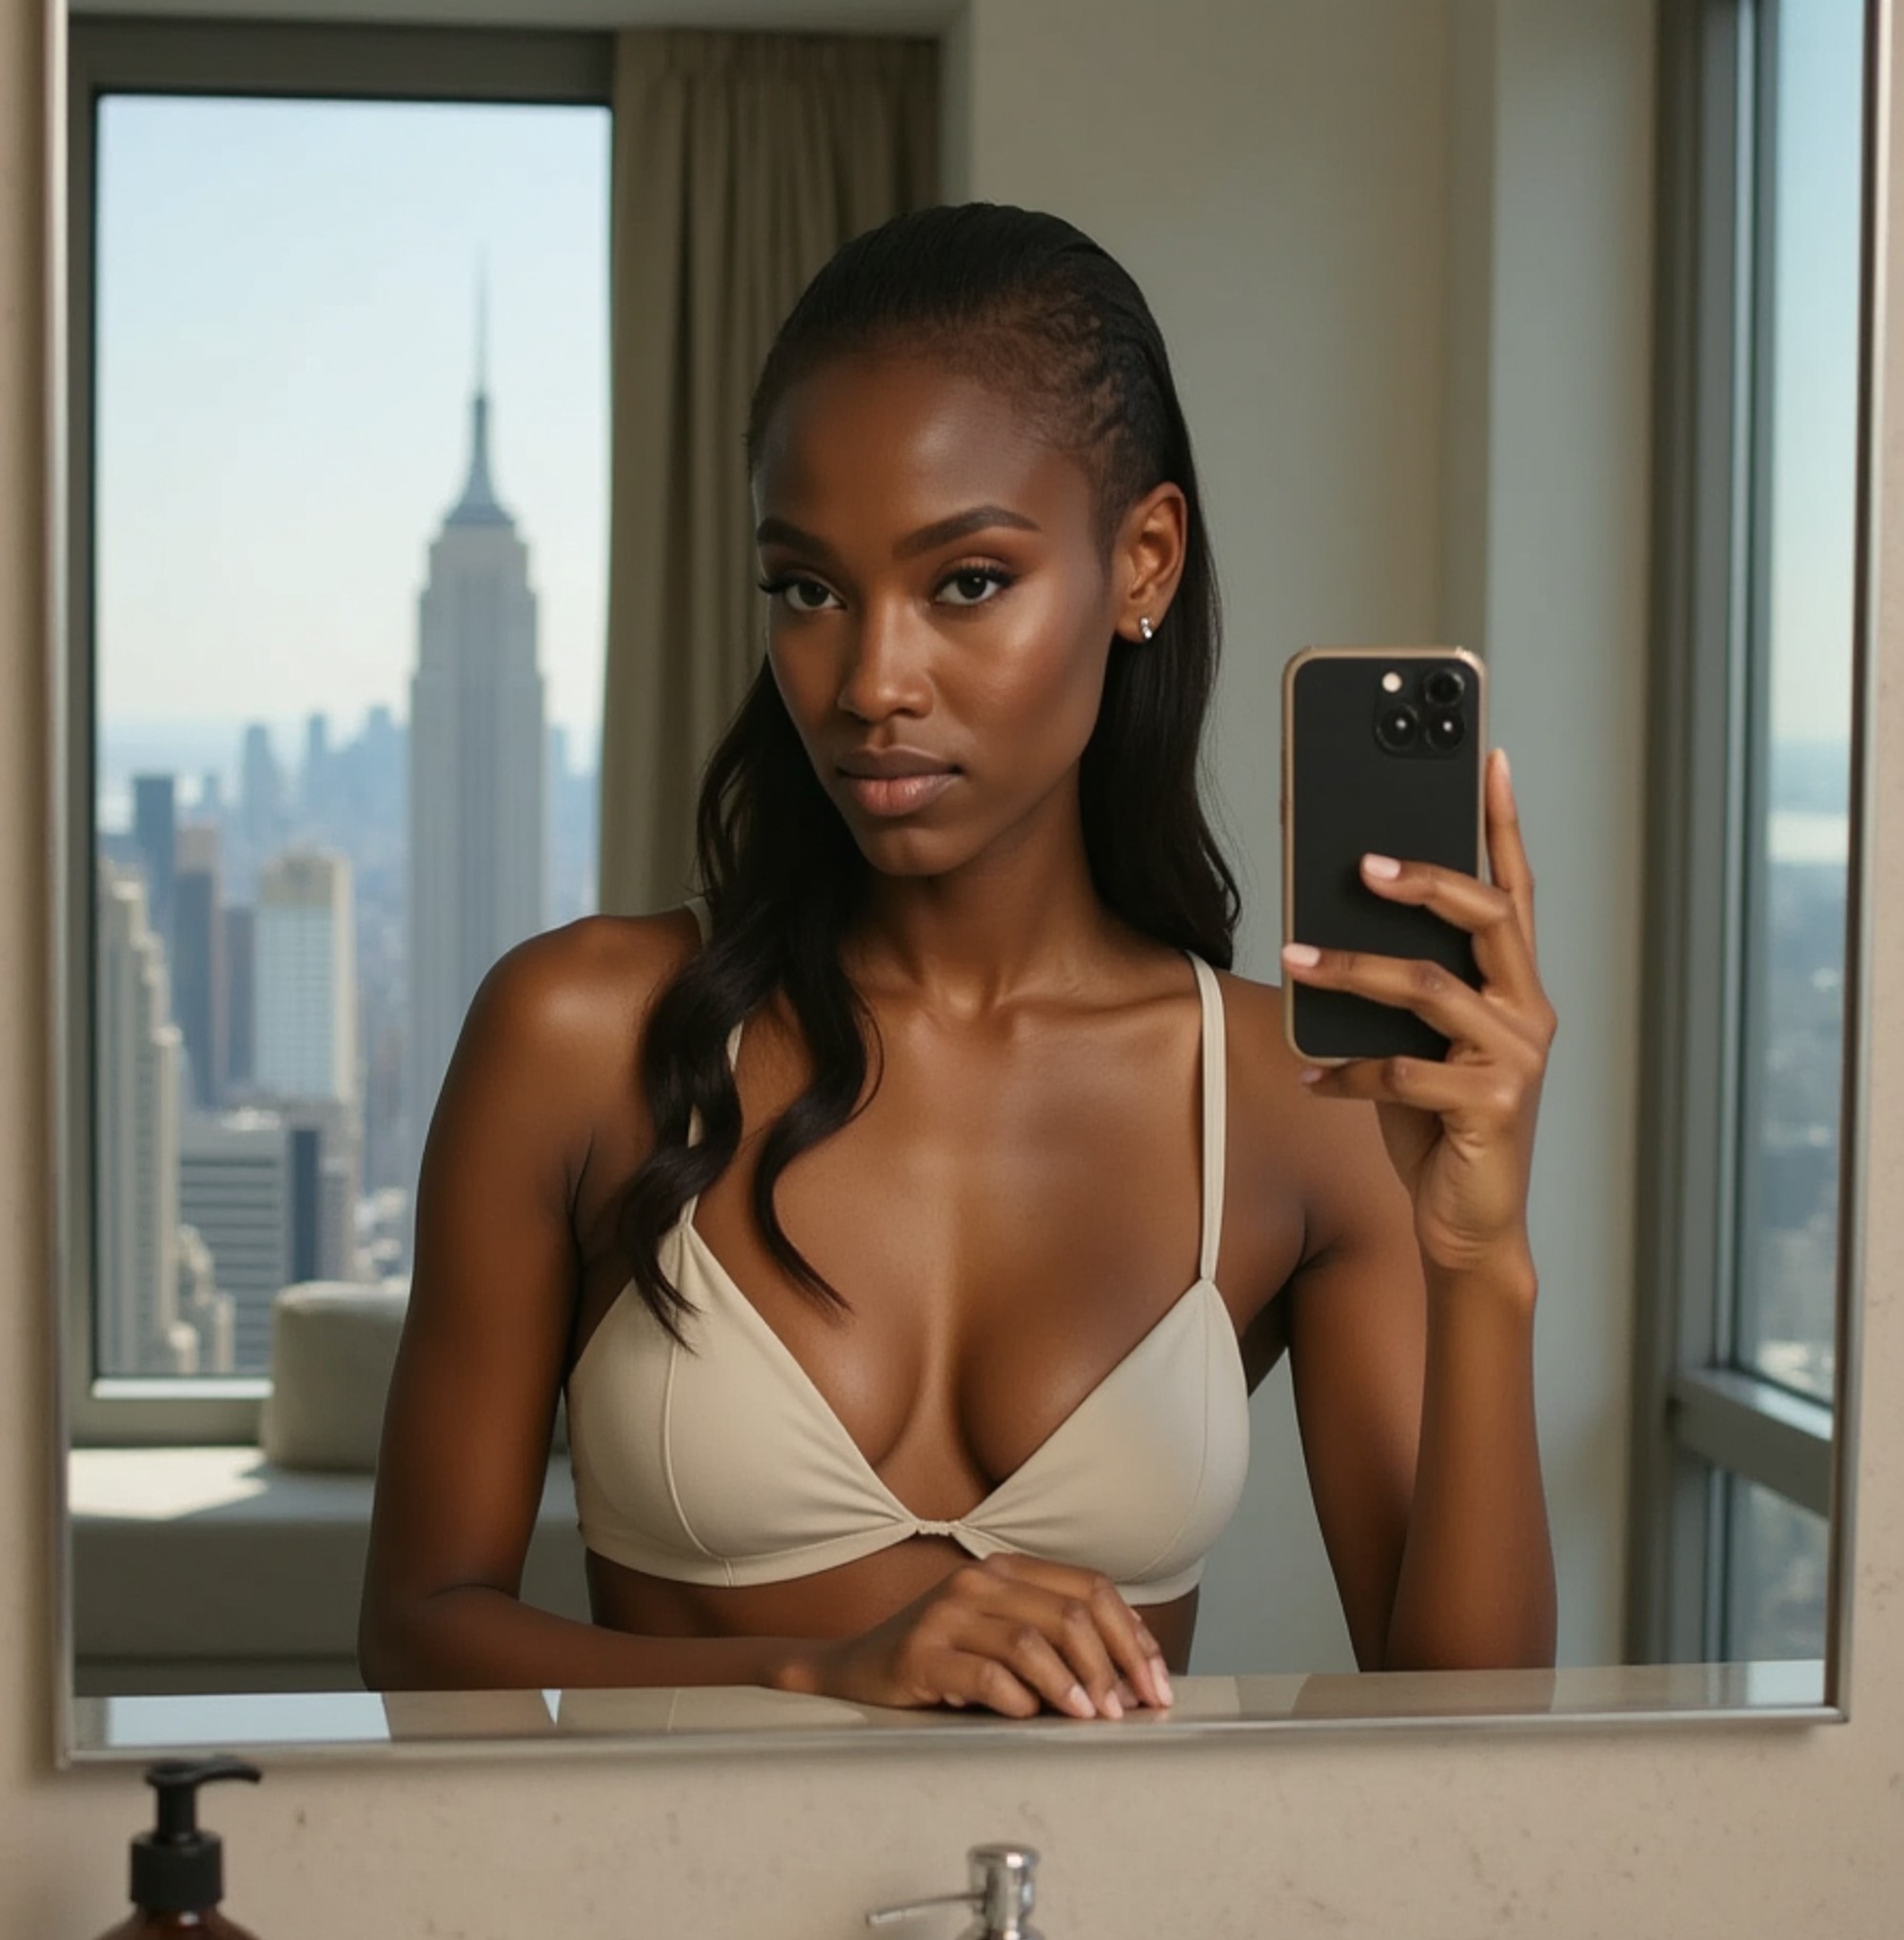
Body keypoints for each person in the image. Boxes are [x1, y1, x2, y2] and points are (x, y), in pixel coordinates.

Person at [358, 202, 1557, 1712]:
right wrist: (812, 1670)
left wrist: (1481, 1259)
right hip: (671, 1938)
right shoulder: (581, 1033)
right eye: (808, 588)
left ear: (1143, 563)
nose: (869, 681)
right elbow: (416, 1630)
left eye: (967, 582)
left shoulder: (1291, 1097)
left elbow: (1476, 1729)